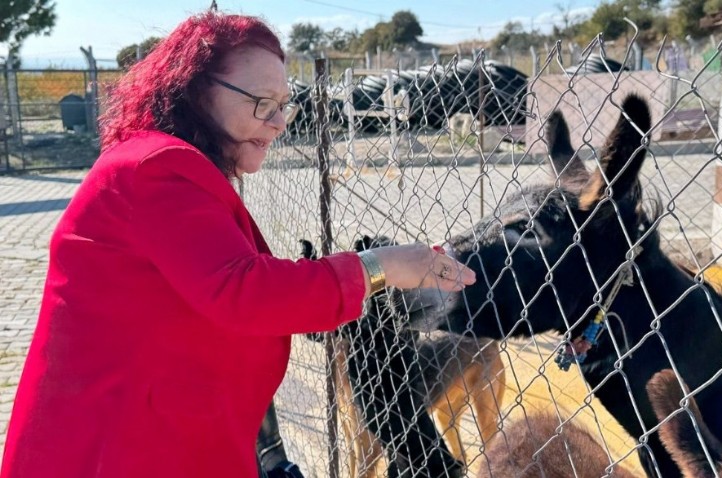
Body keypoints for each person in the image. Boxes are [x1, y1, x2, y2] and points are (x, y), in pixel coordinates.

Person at [1, 10, 475, 478]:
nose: (278, 121)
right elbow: (242, 289)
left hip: (144, 429)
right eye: (261, 102)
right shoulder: (159, 168)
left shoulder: (168, 165)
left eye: (284, 104)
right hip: (118, 446)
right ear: (194, 90)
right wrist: (381, 266)